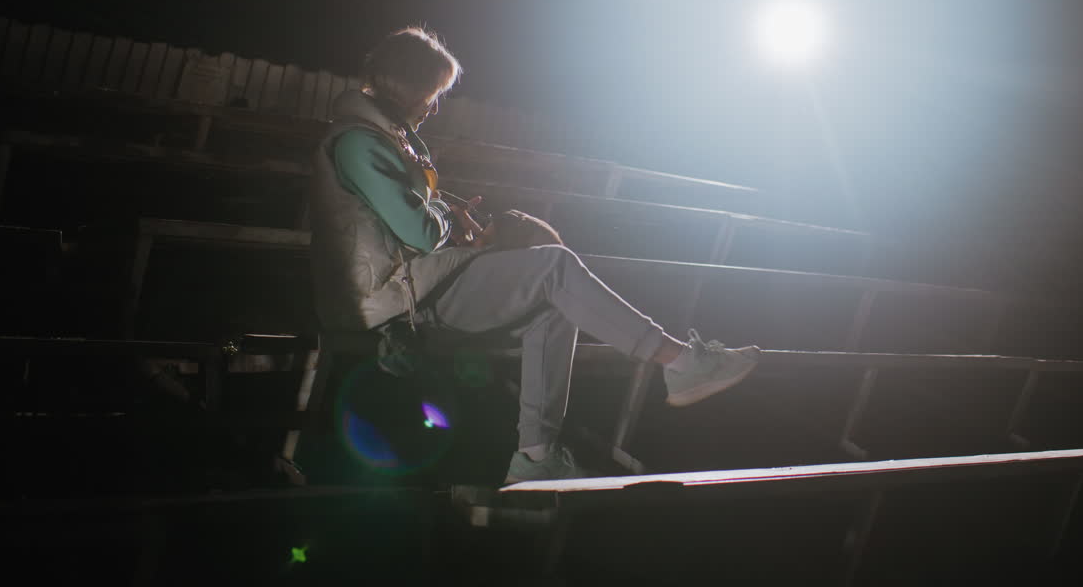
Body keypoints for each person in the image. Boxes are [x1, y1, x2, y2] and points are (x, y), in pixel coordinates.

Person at [309, 26, 759, 483]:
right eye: (431, 92)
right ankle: (681, 363)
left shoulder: (384, 139)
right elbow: (421, 232)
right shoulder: (359, 143)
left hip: (410, 287)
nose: (434, 105)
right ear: (404, 84)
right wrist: (447, 215)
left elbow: (414, 221)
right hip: (389, 300)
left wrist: (443, 211)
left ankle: (537, 455)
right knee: (554, 265)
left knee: (553, 307)